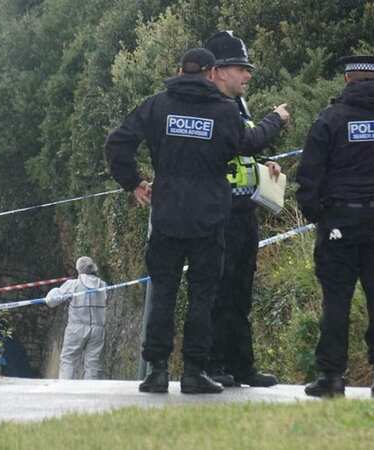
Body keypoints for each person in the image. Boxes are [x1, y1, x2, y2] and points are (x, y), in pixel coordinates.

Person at [106, 48, 284, 394]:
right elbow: (249, 143)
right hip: (209, 218)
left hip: (167, 214)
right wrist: (275, 120)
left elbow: (118, 142)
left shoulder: (157, 105)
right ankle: (193, 372)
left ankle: (156, 371)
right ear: (210, 73)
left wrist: (134, 182)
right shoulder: (224, 111)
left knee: (164, 294)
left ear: (179, 70)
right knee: (203, 296)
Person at [296, 55, 374, 398]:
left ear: (348, 79)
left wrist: (317, 215)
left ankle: (332, 377)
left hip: (340, 221)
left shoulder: (331, 117)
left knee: (336, 299)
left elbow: (308, 174)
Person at [204, 30, 289, 388]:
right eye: (241, 68)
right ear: (218, 71)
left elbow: (243, 150)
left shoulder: (239, 105)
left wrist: (264, 165)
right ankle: (213, 363)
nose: (247, 75)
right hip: (216, 213)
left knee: (240, 292)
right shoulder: (208, 105)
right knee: (216, 292)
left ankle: (242, 366)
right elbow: (242, 139)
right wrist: (276, 120)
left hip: (243, 211)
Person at [46, 256, 108, 379]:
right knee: (93, 364)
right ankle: (90, 394)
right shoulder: (103, 285)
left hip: (76, 328)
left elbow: (51, 301)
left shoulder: (73, 285)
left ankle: (66, 390)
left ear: (78, 269)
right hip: (98, 329)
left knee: (69, 359)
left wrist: (54, 291)